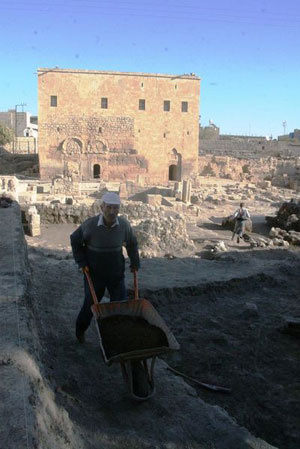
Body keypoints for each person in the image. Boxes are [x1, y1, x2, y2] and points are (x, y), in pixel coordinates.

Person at [70, 192, 140, 343]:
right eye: (109, 207)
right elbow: (75, 241)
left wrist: (135, 262)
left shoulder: (124, 225)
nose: (112, 212)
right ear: (102, 207)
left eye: (115, 208)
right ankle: (80, 330)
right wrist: (81, 262)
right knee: (91, 305)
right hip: (94, 275)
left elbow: (132, 244)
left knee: (119, 306)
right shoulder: (90, 225)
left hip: (116, 274)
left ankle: (115, 337)